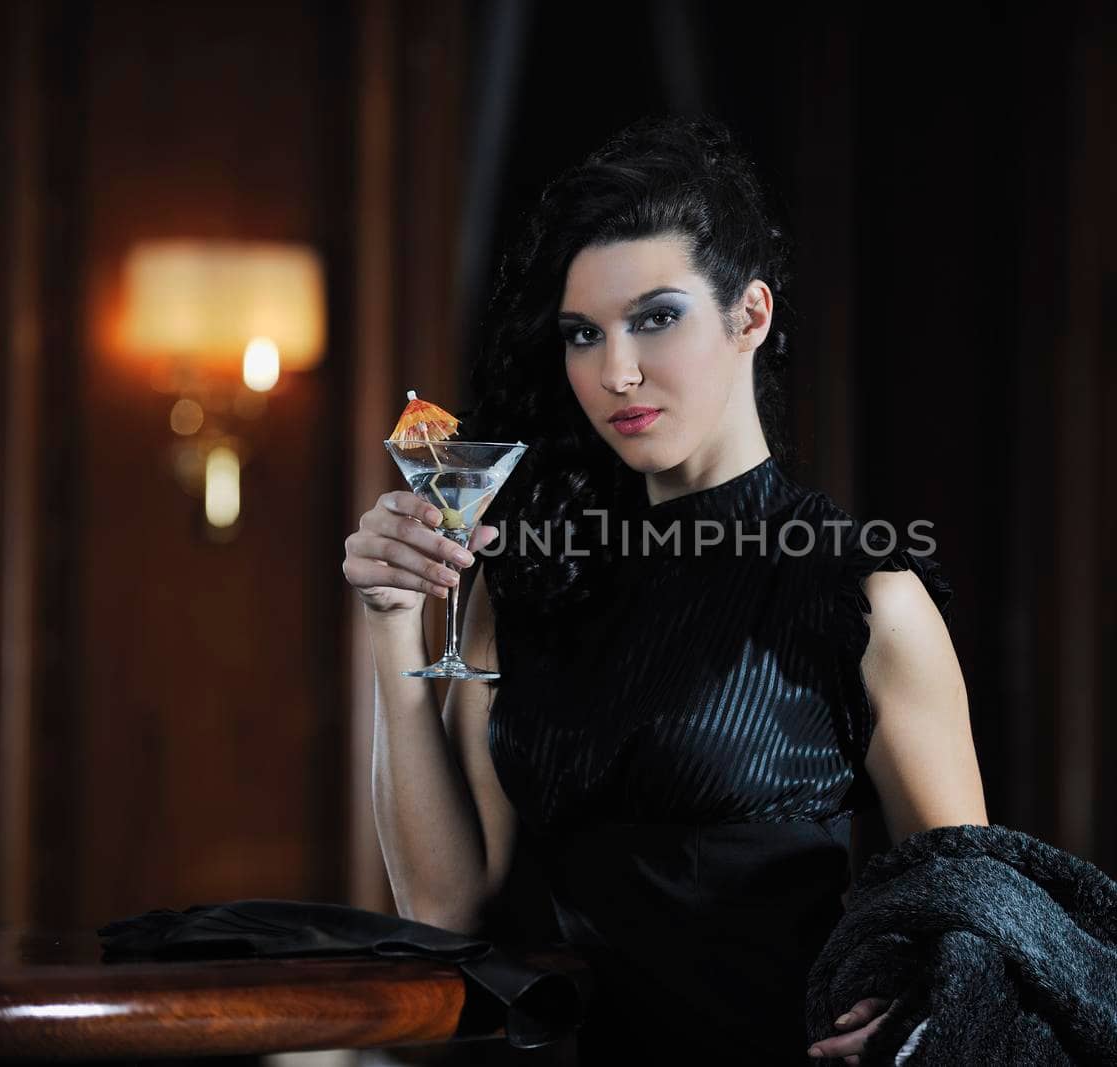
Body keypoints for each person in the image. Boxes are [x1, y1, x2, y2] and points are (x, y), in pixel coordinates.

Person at [342, 113, 988, 1065]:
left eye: (657, 316)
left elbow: (975, 916)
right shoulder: (527, 577)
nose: (617, 371)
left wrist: (920, 1013)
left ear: (751, 316)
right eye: (581, 333)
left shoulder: (867, 597)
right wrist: (395, 628)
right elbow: (443, 900)